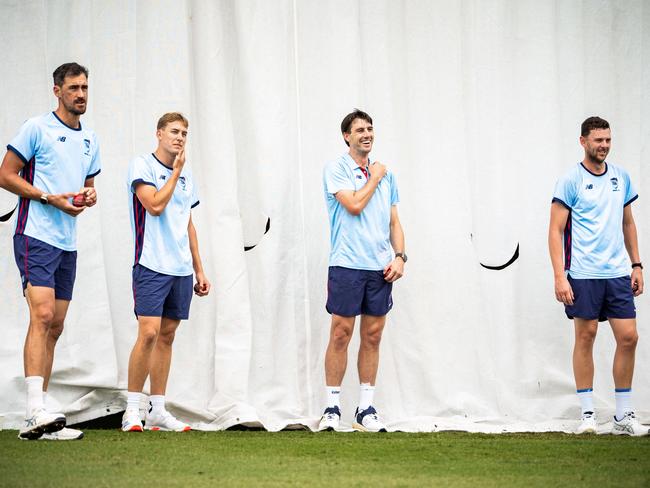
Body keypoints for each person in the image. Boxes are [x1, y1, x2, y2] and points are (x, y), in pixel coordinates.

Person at [0, 62, 100, 440]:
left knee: (55, 326)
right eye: (73, 87)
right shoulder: (36, 128)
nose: (81, 94)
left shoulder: (91, 138)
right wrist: (46, 197)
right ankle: (33, 410)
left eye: (85, 88)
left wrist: (88, 195)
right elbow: (5, 174)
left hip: (67, 242)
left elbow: (87, 185)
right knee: (41, 315)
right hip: (35, 235)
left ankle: (41, 417)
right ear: (56, 90)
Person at [549, 116, 648, 436]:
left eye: (607, 140)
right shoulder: (570, 180)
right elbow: (555, 230)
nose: (604, 145)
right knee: (586, 336)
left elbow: (628, 223)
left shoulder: (621, 178)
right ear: (583, 142)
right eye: (597, 140)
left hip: (618, 273)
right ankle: (588, 415)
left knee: (629, 338)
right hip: (582, 273)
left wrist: (636, 264)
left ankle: (623, 416)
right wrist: (560, 277)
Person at [122, 112, 210, 432]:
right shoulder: (142, 166)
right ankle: (132, 409)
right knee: (148, 333)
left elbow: (187, 223)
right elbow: (155, 205)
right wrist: (174, 173)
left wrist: (199, 269)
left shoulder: (186, 176)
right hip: (150, 264)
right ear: (159, 133)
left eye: (184, 133)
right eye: (174, 131)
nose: (180, 138)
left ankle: (157, 409)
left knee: (167, 336)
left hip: (181, 269)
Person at [319, 109, 405, 432]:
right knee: (341, 332)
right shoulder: (337, 169)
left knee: (373, 335)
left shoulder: (387, 174)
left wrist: (400, 257)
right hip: (346, 265)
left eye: (370, 129)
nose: (366, 134)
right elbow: (354, 204)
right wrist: (375, 177)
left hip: (379, 268)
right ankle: (332, 408)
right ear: (347, 136)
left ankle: (365, 409)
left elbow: (395, 221)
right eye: (359, 130)